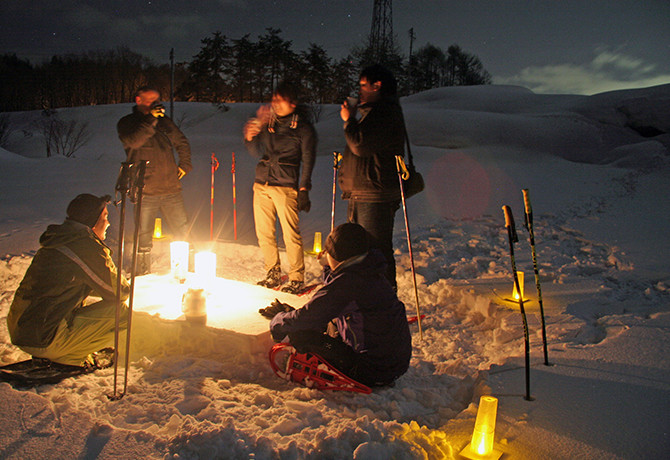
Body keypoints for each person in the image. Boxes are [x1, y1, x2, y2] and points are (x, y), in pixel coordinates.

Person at [261, 223, 411, 387]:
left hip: (371, 369)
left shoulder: (348, 284)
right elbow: (331, 298)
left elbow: (311, 315)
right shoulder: (368, 269)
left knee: (301, 334)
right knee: (328, 321)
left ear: (336, 256)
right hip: (394, 365)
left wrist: (279, 321)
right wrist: (329, 266)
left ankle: (349, 370)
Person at [7, 194, 130, 368]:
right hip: (43, 336)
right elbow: (119, 293)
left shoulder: (61, 239)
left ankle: (63, 350)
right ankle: (70, 357)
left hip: (23, 328)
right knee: (122, 314)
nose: (108, 223)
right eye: (105, 217)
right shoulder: (85, 246)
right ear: (92, 221)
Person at [244, 81, 317, 294]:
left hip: (285, 185)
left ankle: (296, 277)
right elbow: (257, 150)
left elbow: (308, 159)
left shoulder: (303, 128)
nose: (274, 103)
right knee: (264, 232)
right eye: (273, 99)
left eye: (279, 99)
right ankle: (272, 272)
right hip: (262, 183)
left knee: (290, 233)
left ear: (292, 103)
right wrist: (251, 136)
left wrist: (304, 189)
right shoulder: (269, 123)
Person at [338, 64, 406, 291]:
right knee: (361, 251)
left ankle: (386, 306)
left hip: (374, 194)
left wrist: (349, 119)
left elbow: (359, 144)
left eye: (363, 85)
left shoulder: (385, 112)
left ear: (377, 86)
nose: (359, 91)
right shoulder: (376, 113)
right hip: (363, 192)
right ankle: (369, 301)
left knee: (376, 251)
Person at [117, 86, 193, 275]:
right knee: (143, 234)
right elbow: (134, 141)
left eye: (157, 99)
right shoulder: (128, 122)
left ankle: (184, 269)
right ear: (139, 100)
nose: (155, 103)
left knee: (182, 229)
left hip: (170, 188)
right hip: (145, 188)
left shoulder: (163, 122)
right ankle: (142, 272)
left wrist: (184, 164)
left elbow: (181, 141)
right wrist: (150, 119)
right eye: (150, 100)